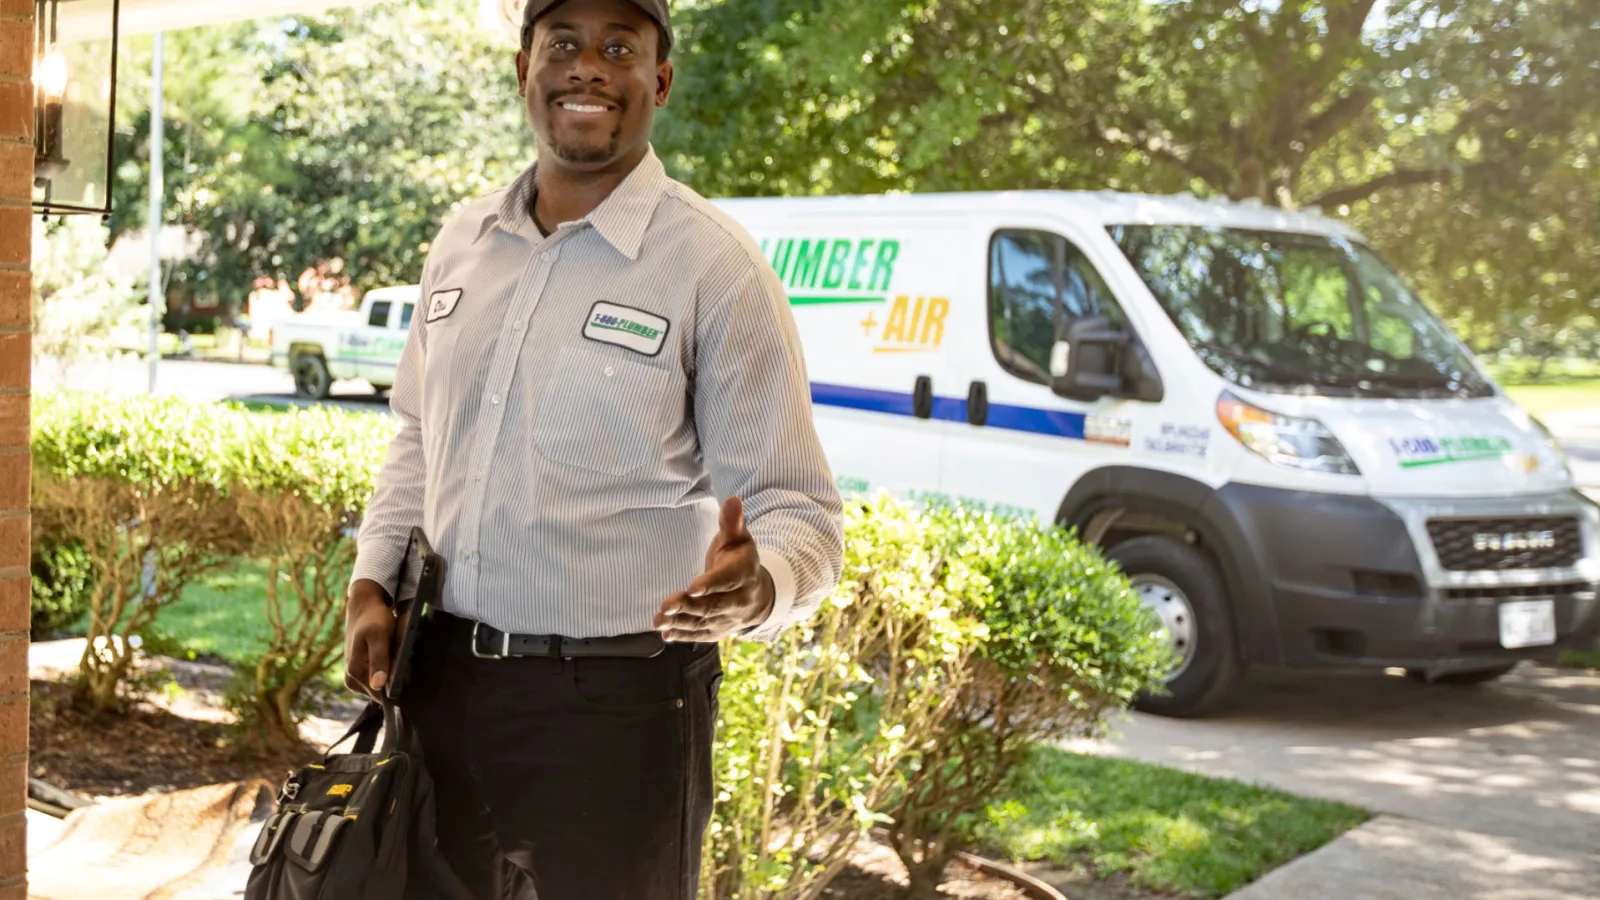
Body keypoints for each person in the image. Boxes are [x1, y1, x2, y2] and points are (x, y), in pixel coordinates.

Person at [340, 0, 845, 897]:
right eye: (563, 44)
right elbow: (418, 432)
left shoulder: (713, 265)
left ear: (659, 80)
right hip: (440, 684)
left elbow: (798, 507)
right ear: (523, 68)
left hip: (619, 711)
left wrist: (759, 582)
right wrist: (374, 580)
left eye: (619, 47)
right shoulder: (462, 241)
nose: (587, 68)